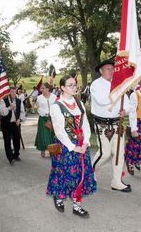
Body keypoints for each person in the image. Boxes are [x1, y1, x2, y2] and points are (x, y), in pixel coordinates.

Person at [46, 75, 96, 219]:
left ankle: (77, 206)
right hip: (65, 147)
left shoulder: (79, 103)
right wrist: (73, 147)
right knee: (65, 174)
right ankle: (59, 197)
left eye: (75, 85)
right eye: (70, 85)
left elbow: (85, 124)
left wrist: (86, 142)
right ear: (62, 88)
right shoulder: (57, 106)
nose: (74, 87)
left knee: (80, 174)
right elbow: (59, 131)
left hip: (81, 145)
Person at [90, 59, 131, 193]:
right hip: (102, 124)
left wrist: (125, 110)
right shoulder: (96, 85)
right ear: (101, 71)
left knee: (119, 154)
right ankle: (89, 172)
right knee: (105, 153)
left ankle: (116, 181)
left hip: (117, 123)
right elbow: (102, 101)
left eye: (113, 69)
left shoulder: (120, 84)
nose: (111, 71)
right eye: (108, 69)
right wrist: (117, 91)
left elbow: (128, 104)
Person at [0, 87, 22, 165]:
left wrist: (20, 119)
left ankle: (16, 154)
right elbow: (3, 113)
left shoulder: (19, 101)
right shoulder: (3, 101)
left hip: (16, 123)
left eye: (14, 92)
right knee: (7, 141)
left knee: (16, 139)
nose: (13, 93)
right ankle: (10, 157)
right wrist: (9, 108)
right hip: (6, 124)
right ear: (8, 93)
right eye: (12, 92)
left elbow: (22, 112)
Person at [35, 83, 56, 157]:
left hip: (53, 118)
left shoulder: (54, 97)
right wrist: (46, 113)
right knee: (43, 135)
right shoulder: (39, 98)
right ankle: (42, 149)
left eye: (43, 88)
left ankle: (52, 151)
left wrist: (52, 114)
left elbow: (56, 107)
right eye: (41, 88)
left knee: (52, 135)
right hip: (43, 118)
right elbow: (38, 108)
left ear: (47, 89)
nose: (41, 90)